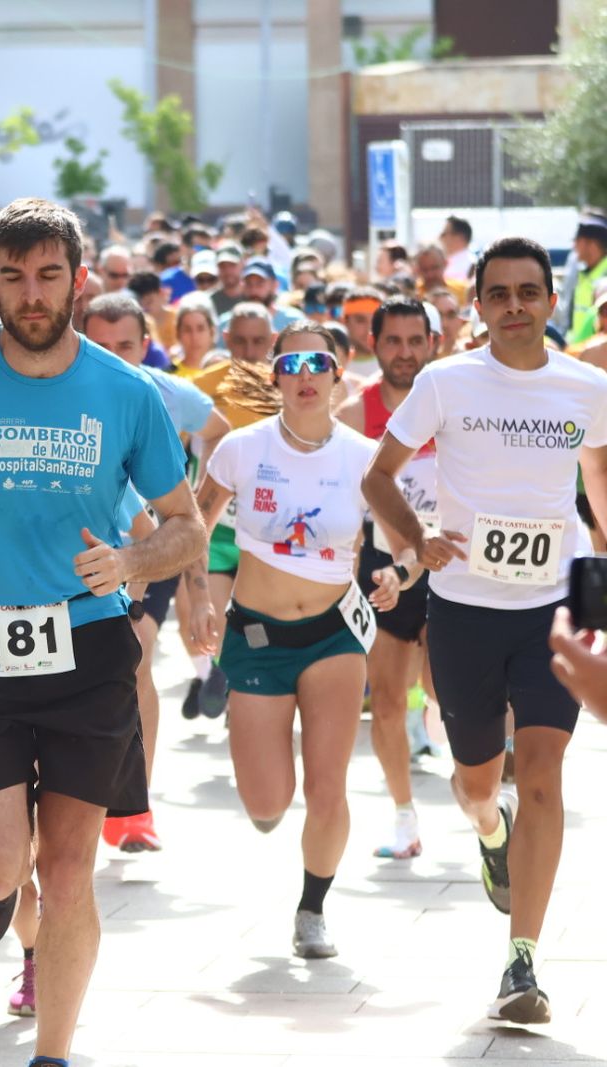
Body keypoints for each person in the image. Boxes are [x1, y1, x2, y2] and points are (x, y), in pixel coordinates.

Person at [0, 198, 204, 1067]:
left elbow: (181, 522)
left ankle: (54, 1052)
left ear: (78, 278)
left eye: (47, 276)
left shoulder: (125, 391)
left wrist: (135, 563)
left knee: (69, 870)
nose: (31, 295)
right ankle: (1, 904)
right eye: (13, 277)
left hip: (89, 646)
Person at [363, 236, 607, 1025]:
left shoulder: (585, 387)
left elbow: (599, 478)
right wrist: (413, 540)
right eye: (497, 294)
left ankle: (522, 958)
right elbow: (379, 473)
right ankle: (487, 827)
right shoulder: (446, 380)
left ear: (549, 301)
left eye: (528, 293)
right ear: (478, 306)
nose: (513, 307)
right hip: (464, 611)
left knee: (543, 776)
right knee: (477, 783)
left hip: (552, 607)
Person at [186, 322, 415, 959]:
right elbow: (192, 527)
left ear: (339, 374)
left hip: (333, 636)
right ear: (276, 376)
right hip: (256, 637)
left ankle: (312, 907)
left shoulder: (364, 456)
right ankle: (267, 796)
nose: (307, 375)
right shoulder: (240, 448)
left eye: (320, 363)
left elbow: (409, 547)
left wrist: (398, 574)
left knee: (326, 786)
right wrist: (200, 597)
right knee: (267, 803)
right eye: (293, 364)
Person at [84, 292, 226, 853]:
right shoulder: (67, 389)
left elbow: (215, 429)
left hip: (153, 545)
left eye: (125, 345)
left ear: (146, 345)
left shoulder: (169, 393)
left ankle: (133, 805)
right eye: (101, 345)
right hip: (83, 547)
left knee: (136, 657)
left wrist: (200, 482)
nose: (115, 355)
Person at [336, 297, 440, 860]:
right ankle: (405, 819)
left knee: (449, 698)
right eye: (393, 341)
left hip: (450, 563)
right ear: (375, 345)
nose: (404, 352)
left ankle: (486, 788)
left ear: (432, 343)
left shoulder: (452, 402)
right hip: (385, 571)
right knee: (389, 701)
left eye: (414, 340)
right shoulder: (354, 414)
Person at [184, 303, 278, 718]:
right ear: (226, 340)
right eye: (239, 340)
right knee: (220, 621)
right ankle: (226, 677)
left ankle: (246, 686)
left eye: (259, 341)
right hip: (218, 526)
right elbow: (169, 430)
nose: (249, 350)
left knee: (259, 620)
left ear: (272, 342)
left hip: (267, 526)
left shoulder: (288, 384)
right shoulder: (204, 386)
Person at [562, 214, 607, 347]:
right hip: (578, 350)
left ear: (592, 245)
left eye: (577, 241)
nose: (574, 246)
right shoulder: (582, 275)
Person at [171, 294, 223, 378]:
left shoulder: (225, 373)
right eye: (187, 330)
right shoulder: (168, 377)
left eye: (201, 329)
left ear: (212, 332)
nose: (194, 337)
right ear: (178, 334)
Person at [340, 287, 386, 379]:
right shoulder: (334, 367)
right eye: (360, 320)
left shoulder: (396, 365)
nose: (370, 329)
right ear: (345, 322)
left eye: (375, 320)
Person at [208, 246, 244, 318]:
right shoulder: (209, 302)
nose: (228, 271)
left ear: (242, 265)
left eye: (232, 265)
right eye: (222, 266)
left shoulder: (254, 297)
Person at [441, 215, 475, 283]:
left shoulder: (470, 266)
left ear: (460, 237)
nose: (441, 236)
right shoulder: (446, 263)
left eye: (445, 233)